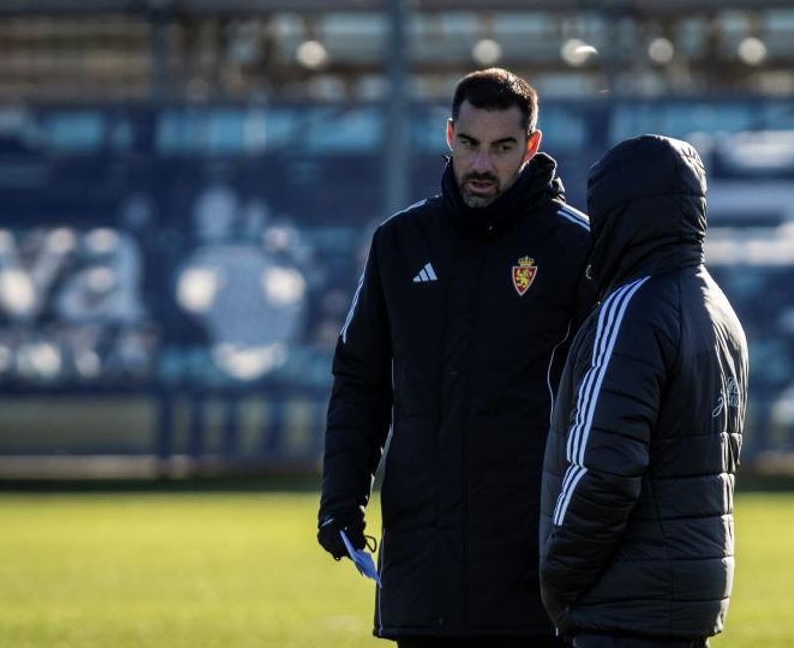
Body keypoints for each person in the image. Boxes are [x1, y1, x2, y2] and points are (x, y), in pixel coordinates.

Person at [317, 68, 595, 647]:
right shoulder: (399, 244)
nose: (481, 164)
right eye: (469, 143)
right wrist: (342, 498)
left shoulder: (575, 248)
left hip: (533, 568)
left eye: (502, 147)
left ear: (531, 146)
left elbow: (605, 397)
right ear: (449, 135)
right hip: (424, 564)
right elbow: (360, 379)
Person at [538, 135, 749, 648]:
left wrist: (557, 579)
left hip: (623, 605)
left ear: (619, 212)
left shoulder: (630, 310)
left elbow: (602, 471)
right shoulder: (720, 312)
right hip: (692, 598)